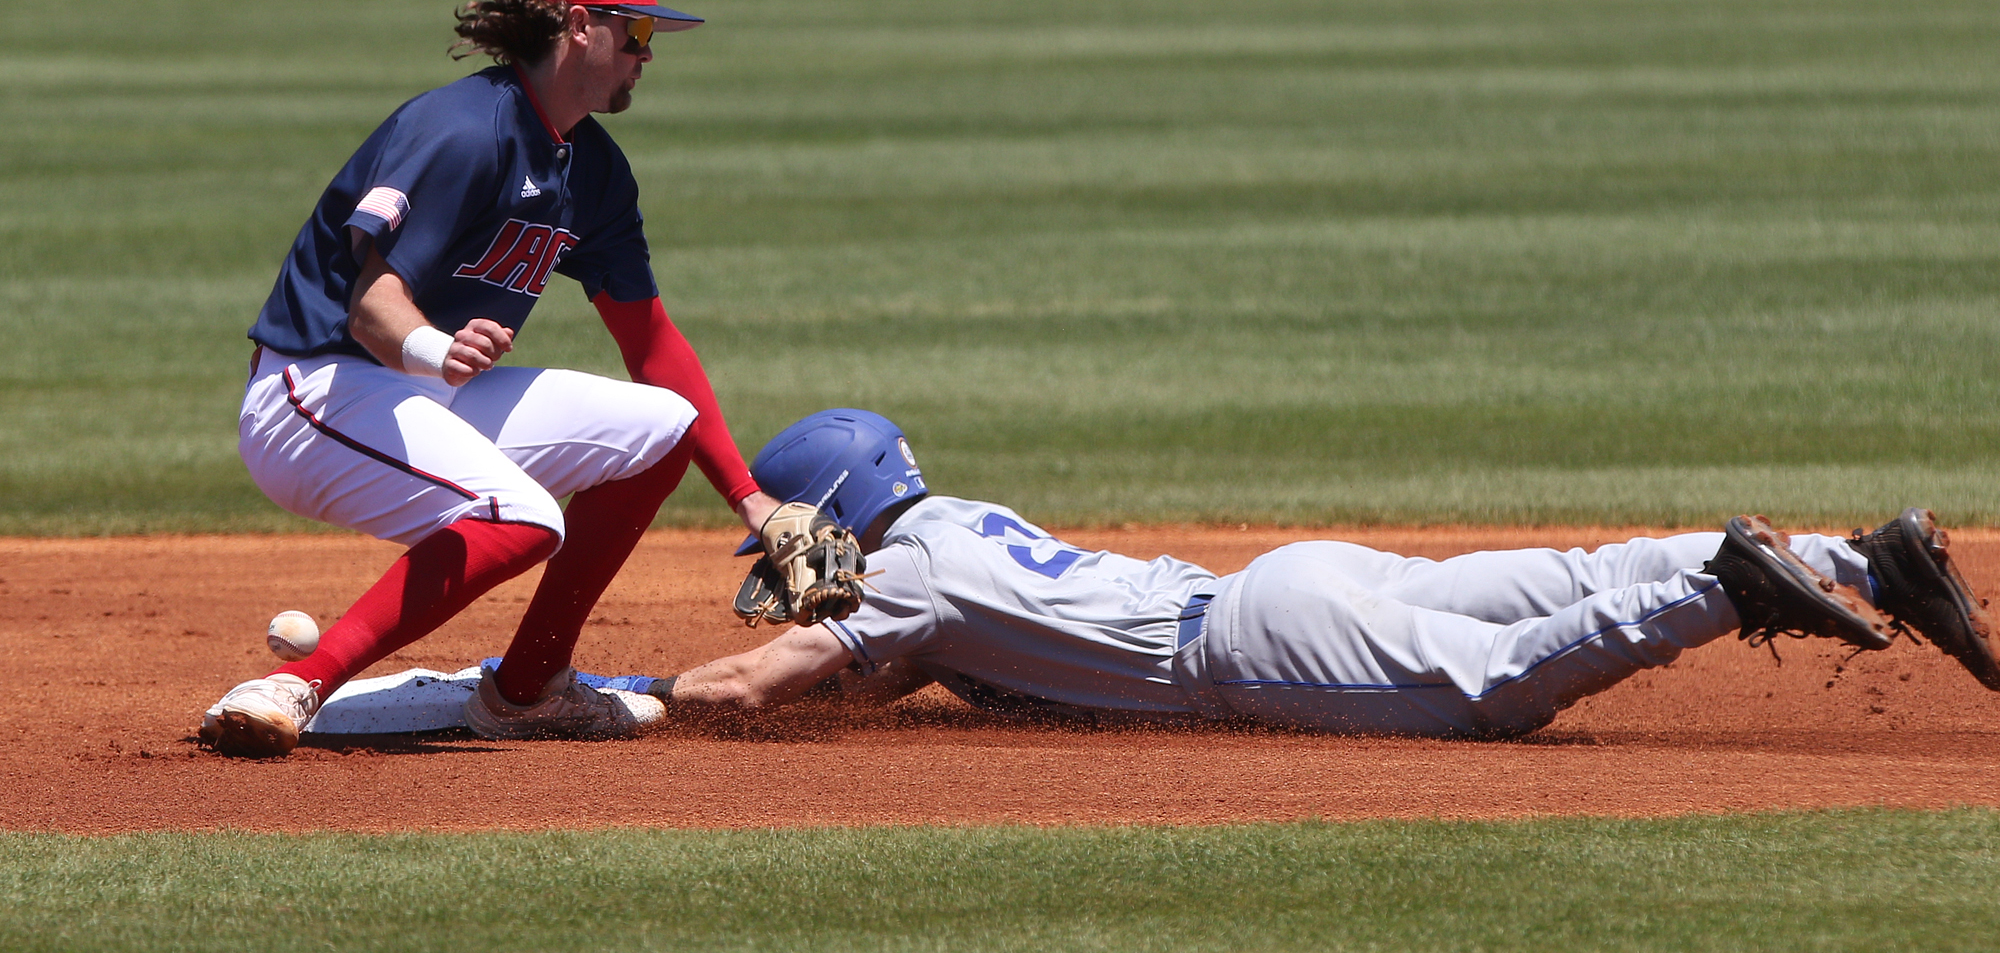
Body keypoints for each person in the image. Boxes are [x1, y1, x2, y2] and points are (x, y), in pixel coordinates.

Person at [198, 0, 783, 758]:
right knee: (523, 516)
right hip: (311, 393)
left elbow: (650, 339)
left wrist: (750, 497)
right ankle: (297, 684)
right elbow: (371, 304)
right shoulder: (463, 130)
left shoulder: (595, 170)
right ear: (580, 25)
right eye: (637, 31)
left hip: (421, 392)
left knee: (664, 426)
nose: (647, 54)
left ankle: (527, 690)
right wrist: (437, 350)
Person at [654, 410, 2000, 736]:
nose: (784, 558)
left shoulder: (908, 583)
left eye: (791, 530)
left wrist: (641, 693)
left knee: (1496, 685)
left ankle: (1730, 586)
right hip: (1288, 581)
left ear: (837, 514)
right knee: (1552, 574)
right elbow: (875, 668)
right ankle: (1851, 556)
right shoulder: (955, 530)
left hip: (1252, 652)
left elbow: (773, 672)